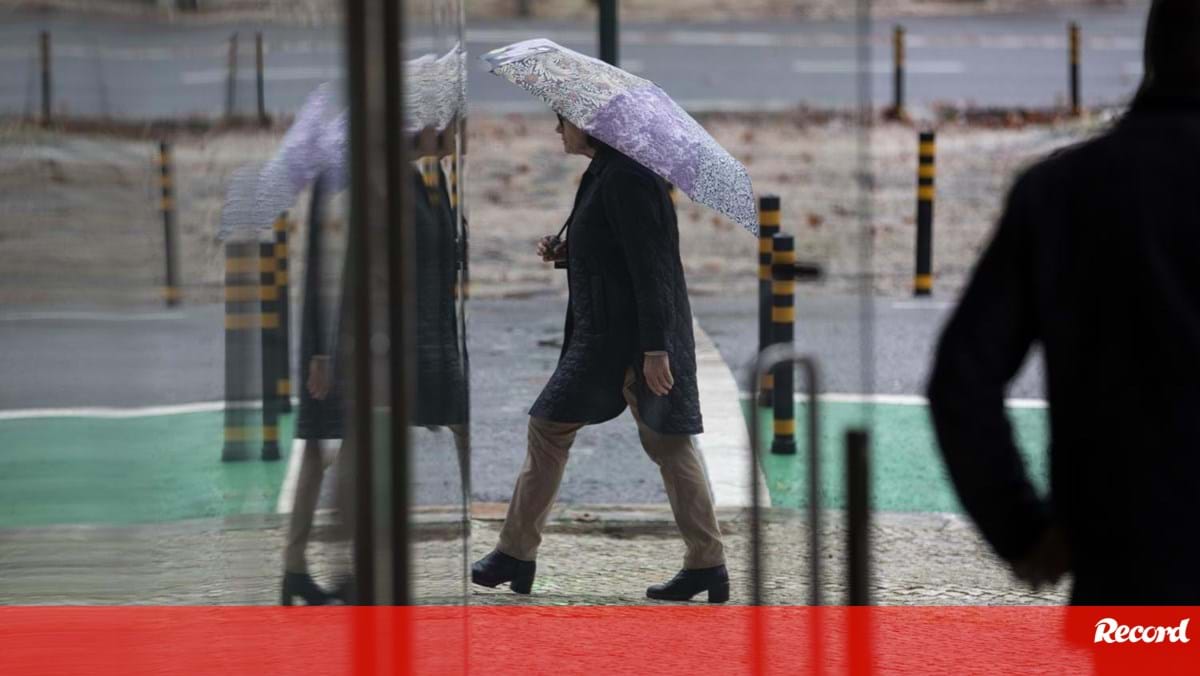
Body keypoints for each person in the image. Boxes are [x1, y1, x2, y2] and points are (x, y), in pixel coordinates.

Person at [927, 0, 1200, 605]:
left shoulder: (1062, 193)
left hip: (1130, 578)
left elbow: (961, 380)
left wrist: (1025, 531)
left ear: (1153, 53)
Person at [471, 114, 729, 603]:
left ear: (591, 125)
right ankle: (706, 564)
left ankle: (516, 552)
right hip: (609, 336)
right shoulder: (608, 171)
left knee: (582, 433)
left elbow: (652, 269)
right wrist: (568, 251)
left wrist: (656, 350)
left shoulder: (628, 178)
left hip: (625, 341)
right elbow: (615, 250)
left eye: (563, 121)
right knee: (664, 445)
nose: (557, 130)